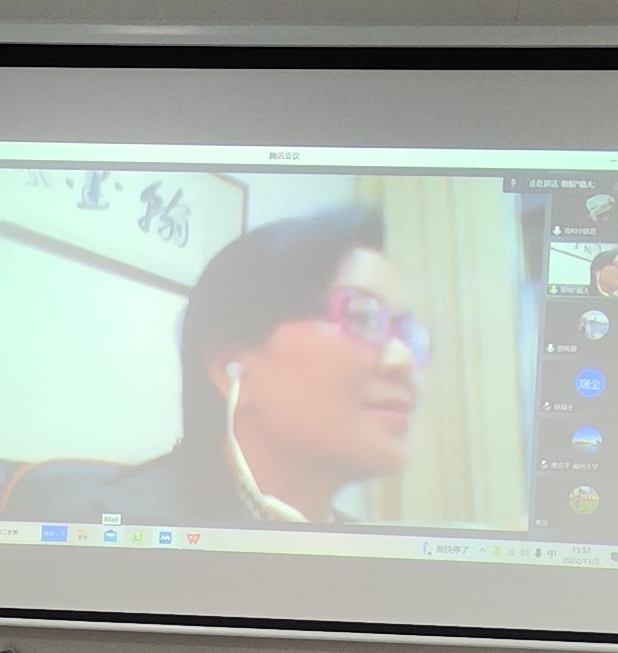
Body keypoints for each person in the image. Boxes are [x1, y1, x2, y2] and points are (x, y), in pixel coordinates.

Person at [67, 207, 431, 527]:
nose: (403, 358)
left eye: (406, 332)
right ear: (231, 365)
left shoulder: (368, 554)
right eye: (363, 316)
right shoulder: (104, 529)